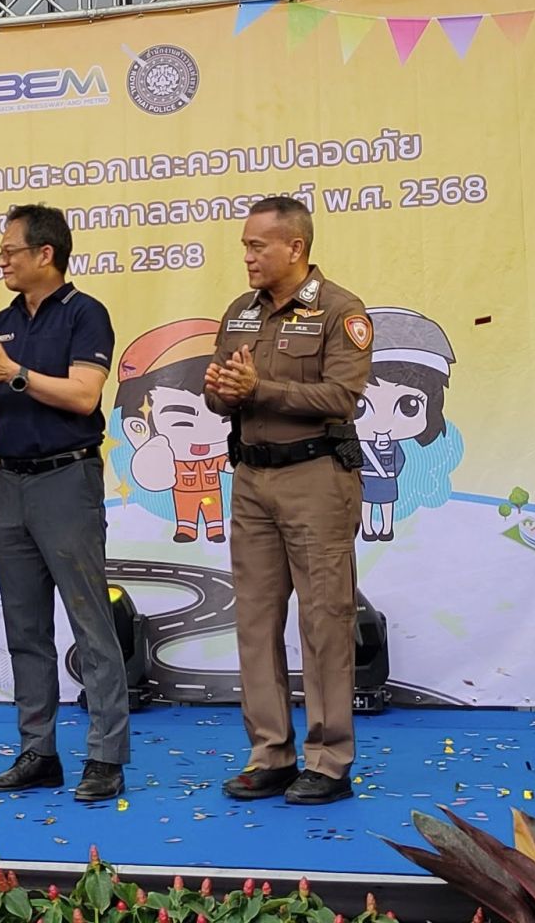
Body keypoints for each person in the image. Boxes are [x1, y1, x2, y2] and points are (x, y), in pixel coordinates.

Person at [0, 203, 130, 802]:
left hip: (66, 478)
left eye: (10, 252)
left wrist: (13, 371)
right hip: (10, 481)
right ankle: (37, 751)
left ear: (45, 254)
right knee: (24, 626)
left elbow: (84, 396)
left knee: (89, 621)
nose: (1, 261)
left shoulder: (85, 314)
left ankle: (105, 755)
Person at [204, 196, 371, 806]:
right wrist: (221, 391)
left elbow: (342, 397)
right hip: (251, 477)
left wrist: (259, 388)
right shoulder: (239, 312)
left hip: (316, 478)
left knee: (324, 620)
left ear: (295, 248)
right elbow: (223, 393)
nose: (247, 257)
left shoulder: (340, 311)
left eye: (258, 246)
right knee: (254, 619)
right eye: (245, 246)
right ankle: (270, 753)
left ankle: (329, 760)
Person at [116, 319, 231, 543]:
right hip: (182, 494)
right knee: (186, 510)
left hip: (213, 493)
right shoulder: (167, 458)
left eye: (224, 418)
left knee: (213, 509)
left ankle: (215, 529)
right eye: (183, 421)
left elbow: (228, 464)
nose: (205, 434)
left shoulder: (216, 457)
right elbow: (156, 478)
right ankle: (186, 529)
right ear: (138, 426)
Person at [354, 306, 456, 543]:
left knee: (386, 504)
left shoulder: (392, 446)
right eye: (359, 406)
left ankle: (385, 528)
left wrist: (388, 466)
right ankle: (367, 529)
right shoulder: (358, 443)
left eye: (408, 405)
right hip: (366, 480)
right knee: (366, 504)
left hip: (386, 479)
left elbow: (400, 460)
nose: (382, 424)